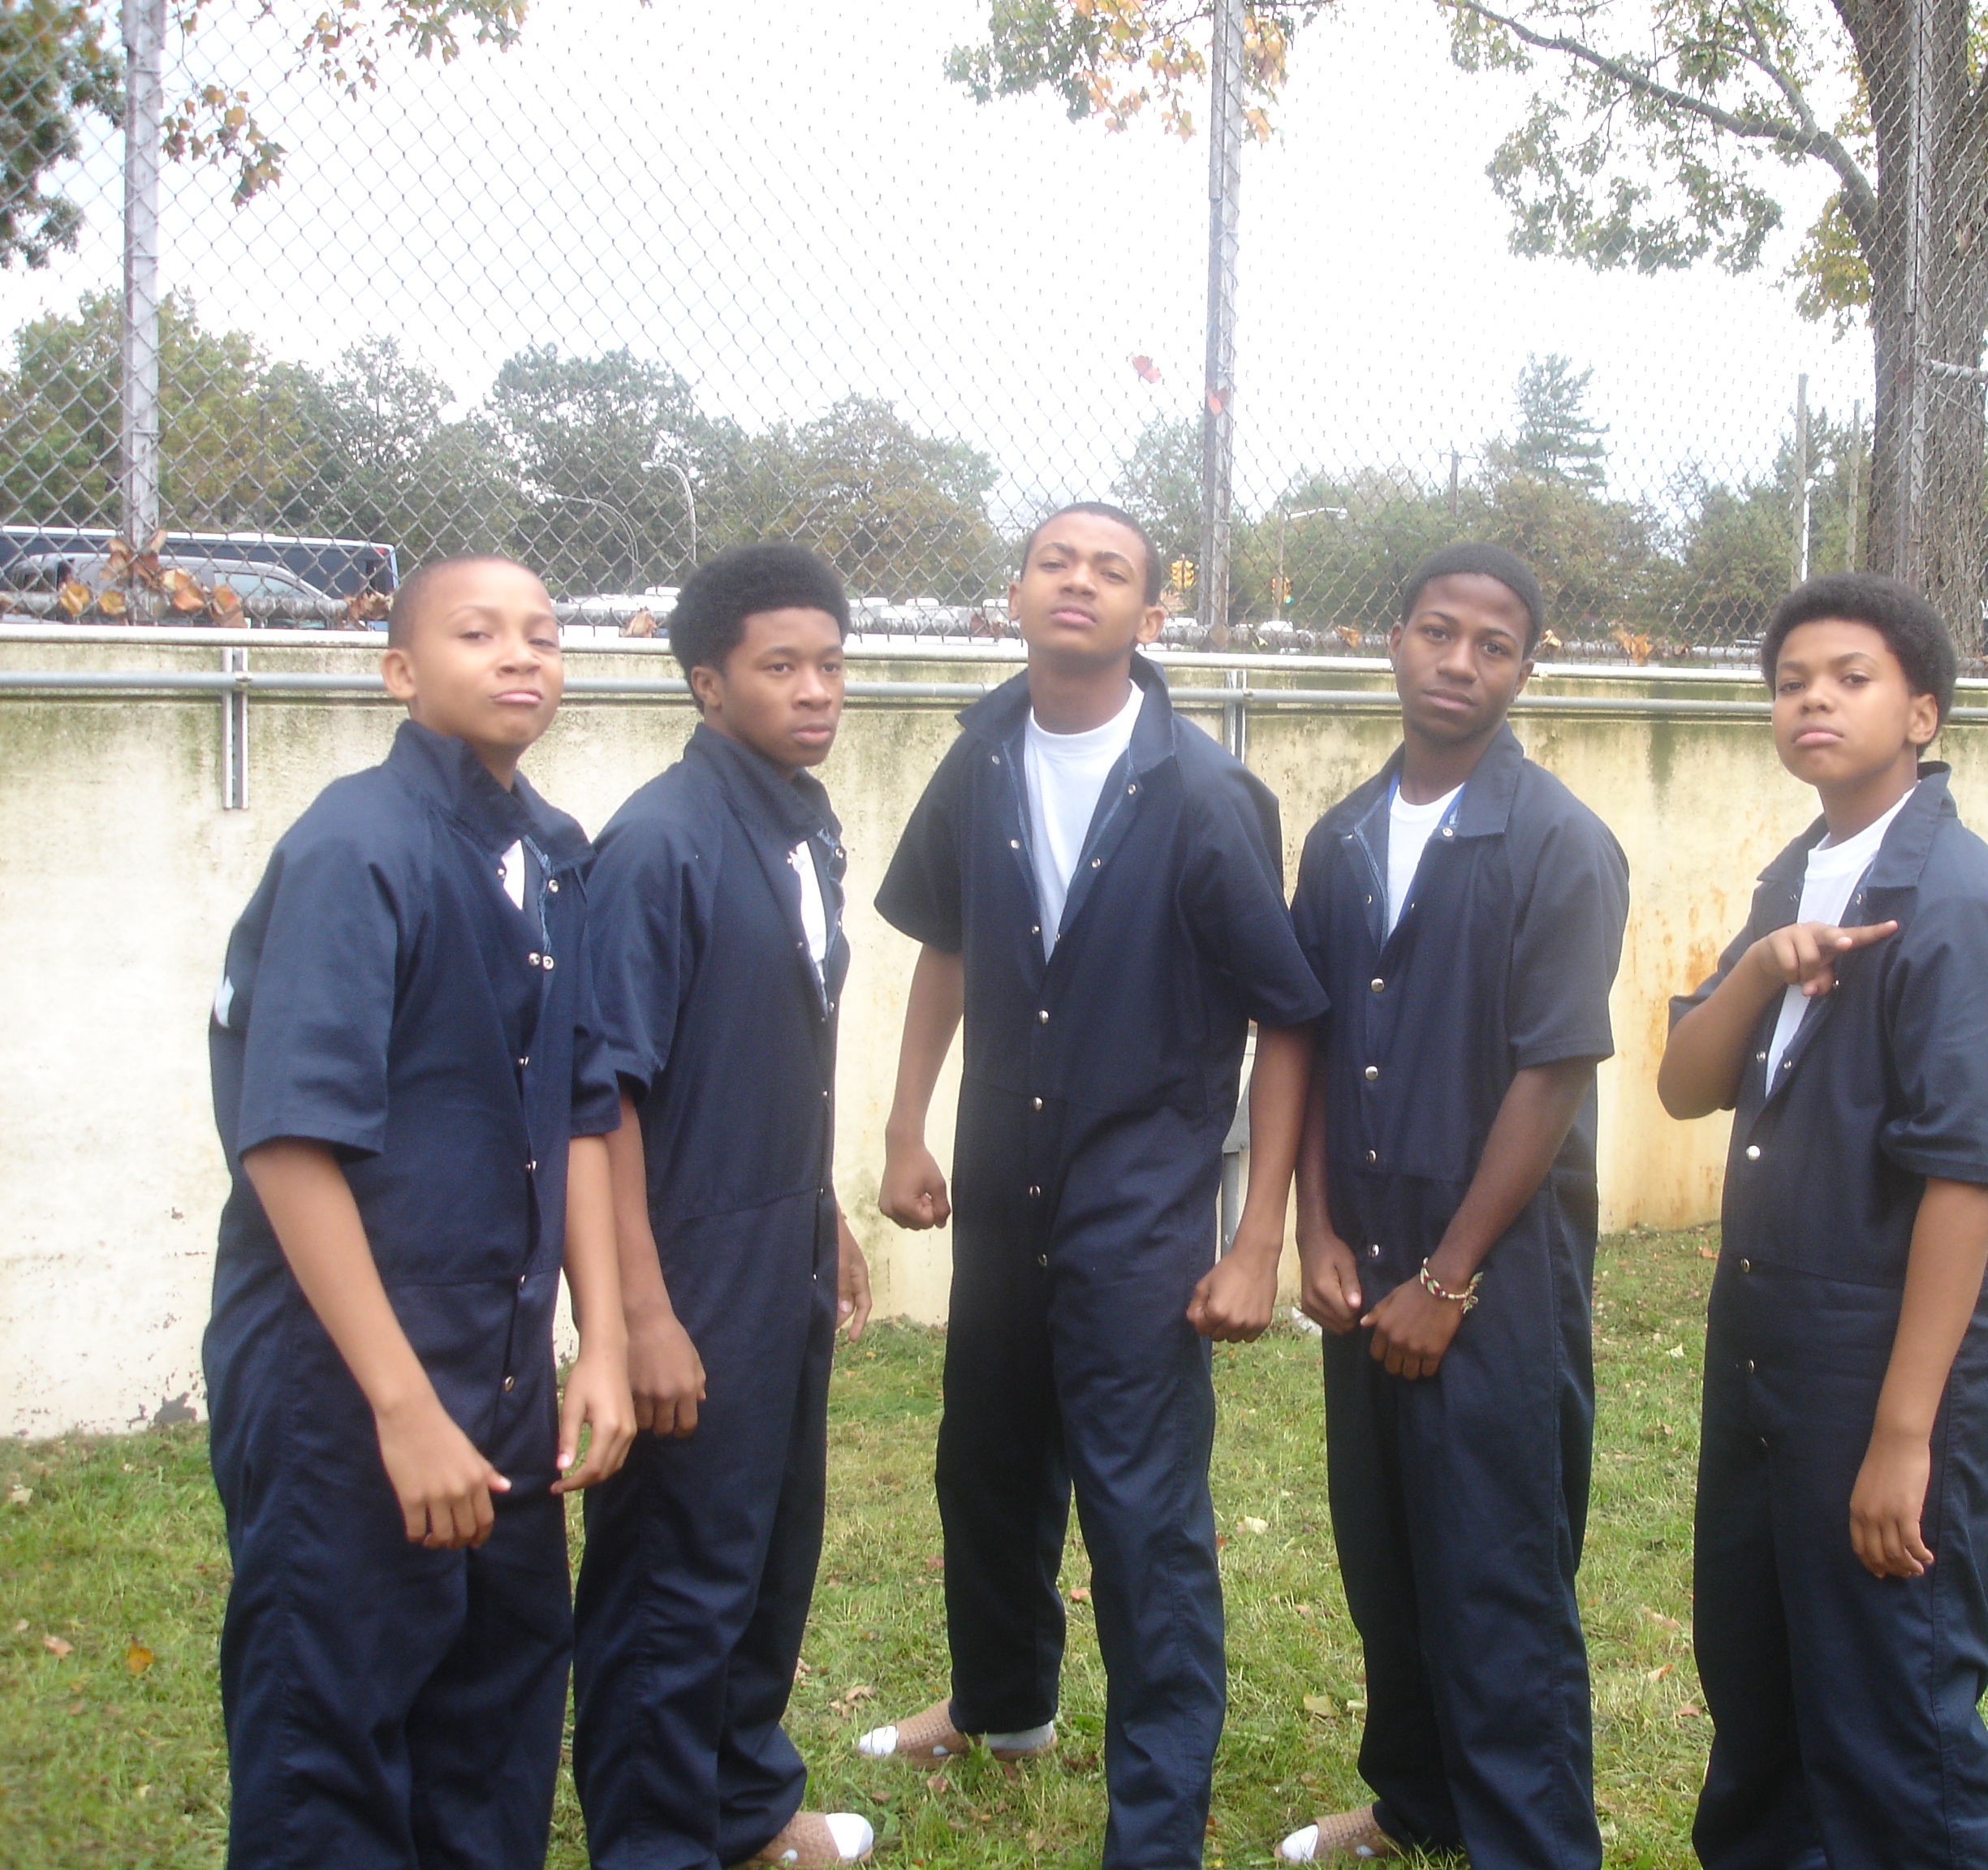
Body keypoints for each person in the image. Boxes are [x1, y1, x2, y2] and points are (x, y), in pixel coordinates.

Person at [860, 501, 1328, 1870]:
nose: (1079, 583)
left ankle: (1155, 1830)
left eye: (1111, 570)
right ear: (1013, 595)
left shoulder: (1202, 791)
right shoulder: (980, 759)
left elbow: (1287, 1015)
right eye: (1056, 562)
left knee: (1141, 1516)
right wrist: (904, 1126)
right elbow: (943, 947)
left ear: (1150, 614)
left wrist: (1257, 1243)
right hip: (1004, 1187)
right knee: (986, 1464)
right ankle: (1004, 1709)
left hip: (1140, 1207)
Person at [202, 555, 636, 1868]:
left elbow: (581, 1109)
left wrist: (602, 1342)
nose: (522, 655)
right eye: (478, 632)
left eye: (546, 634)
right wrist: (400, 1410)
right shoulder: (358, 848)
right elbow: (286, 1141)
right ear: (400, 672)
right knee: (329, 1732)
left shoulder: (552, 859)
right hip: (351, 1383)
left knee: (497, 1709)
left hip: (499, 1371)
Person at [1656, 572, 1988, 1870]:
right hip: (1767, 1356)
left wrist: (1902, 1443)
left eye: (1852, 677)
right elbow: (1683, 1085)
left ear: (1923, 714)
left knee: (1895, 1719)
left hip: (1888, 1373)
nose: (1814, 699)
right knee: (1762, 1683)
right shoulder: (1802, 878)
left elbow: (1967, 1181)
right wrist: (1769, 961)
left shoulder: (1953, 905)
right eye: (1791, 682)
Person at [1279, 543, 1628, 1869]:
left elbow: (1554, 1074)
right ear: (1396, 640)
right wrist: (1316, 1230)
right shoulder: (1348, 838)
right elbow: (1305, 1040)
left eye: (1493, 644)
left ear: (1524, 668)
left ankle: (1531, 1843)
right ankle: (1418, 1801)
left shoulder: (1556, 844)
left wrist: (1450, 1277)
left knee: (1497, 1571)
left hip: (1492, 1270)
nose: (1459, 662)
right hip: (1364, 1248)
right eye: (1438, 632)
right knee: (1388, 1551)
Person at [572, 544, 876, 1869]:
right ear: (707, 683)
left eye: (831, 664)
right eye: (781, 667)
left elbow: (776, 1045)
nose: (817, 691)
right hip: (688, 1258)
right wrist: (638, 1314)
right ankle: (654, 1840)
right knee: (671, 1575)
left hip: (782, 1241)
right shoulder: (660, 844)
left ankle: (743, 1808)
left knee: (765, 1545)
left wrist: (826, 1215)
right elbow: (608, 1096)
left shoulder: (801, 821)